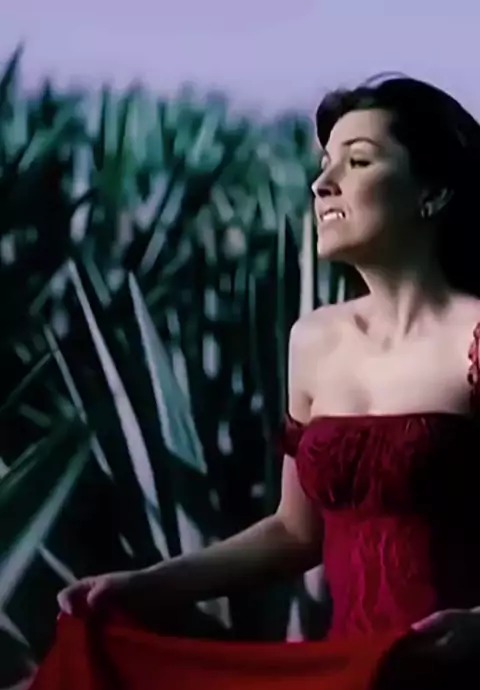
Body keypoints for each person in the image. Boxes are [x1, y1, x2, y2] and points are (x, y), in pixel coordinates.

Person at [59, 74, 480, 652]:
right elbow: (293, 532)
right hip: (345, 678)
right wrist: (143, 586)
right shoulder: (314, 341)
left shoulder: (474, 336)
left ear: (433, 192)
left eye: (358, 162)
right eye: (325, 164)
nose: (322, 184)